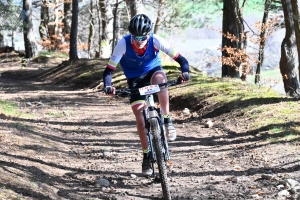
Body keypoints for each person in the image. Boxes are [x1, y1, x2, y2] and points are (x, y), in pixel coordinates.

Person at [102, 14, 190, 176]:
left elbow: (182, 60)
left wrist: (185, 72)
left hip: (152, 71)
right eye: (136, 37)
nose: (139, 40)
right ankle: (146, 155)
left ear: (148, 35)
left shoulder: (156, 40)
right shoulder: (123, 44)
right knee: (140, 117)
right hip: (134, 79)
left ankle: (166, 119)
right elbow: (109, 70)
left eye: (143, 37)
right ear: (131, 35)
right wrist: (108, 86)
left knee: (161, 81)